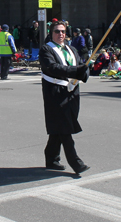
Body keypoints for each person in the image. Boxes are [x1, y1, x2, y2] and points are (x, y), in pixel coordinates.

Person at [39, 21, 90, 175]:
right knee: (64, 126)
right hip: (55, 92)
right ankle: (76, 162)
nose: (60, 34)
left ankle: (51, 158)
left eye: (62, 31)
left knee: (60, 127)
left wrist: (84, 71)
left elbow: (81, 66)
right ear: (51, 33)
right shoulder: (46, 49)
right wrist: (76, 70)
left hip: (72, 91)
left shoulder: (72, 49)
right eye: (57, 31)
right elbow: (52, 68)